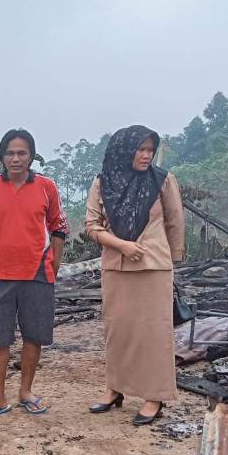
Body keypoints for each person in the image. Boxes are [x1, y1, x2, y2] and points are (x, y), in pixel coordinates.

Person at [85, 125, 185, 426]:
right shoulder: (103, 182)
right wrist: (122, 245)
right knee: (119, 330)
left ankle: (154, 396)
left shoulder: (162, 180)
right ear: (124, 150)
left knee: (154, 332)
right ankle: (114, 389)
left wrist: (172, 260)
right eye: (140, 149)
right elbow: (92, 226)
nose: (146, 155)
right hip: (116, 266)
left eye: (149, 149)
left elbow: (175, 222)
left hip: (153, 266)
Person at [0, 128, 68, 423]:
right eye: (10, 153)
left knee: (33, 336)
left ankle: (25, 392)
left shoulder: (46, 187)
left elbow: (59, 227)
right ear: (2, 156)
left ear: (31, 156)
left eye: (21, 153)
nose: (15, 159)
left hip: (38, 273)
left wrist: (55, 264)